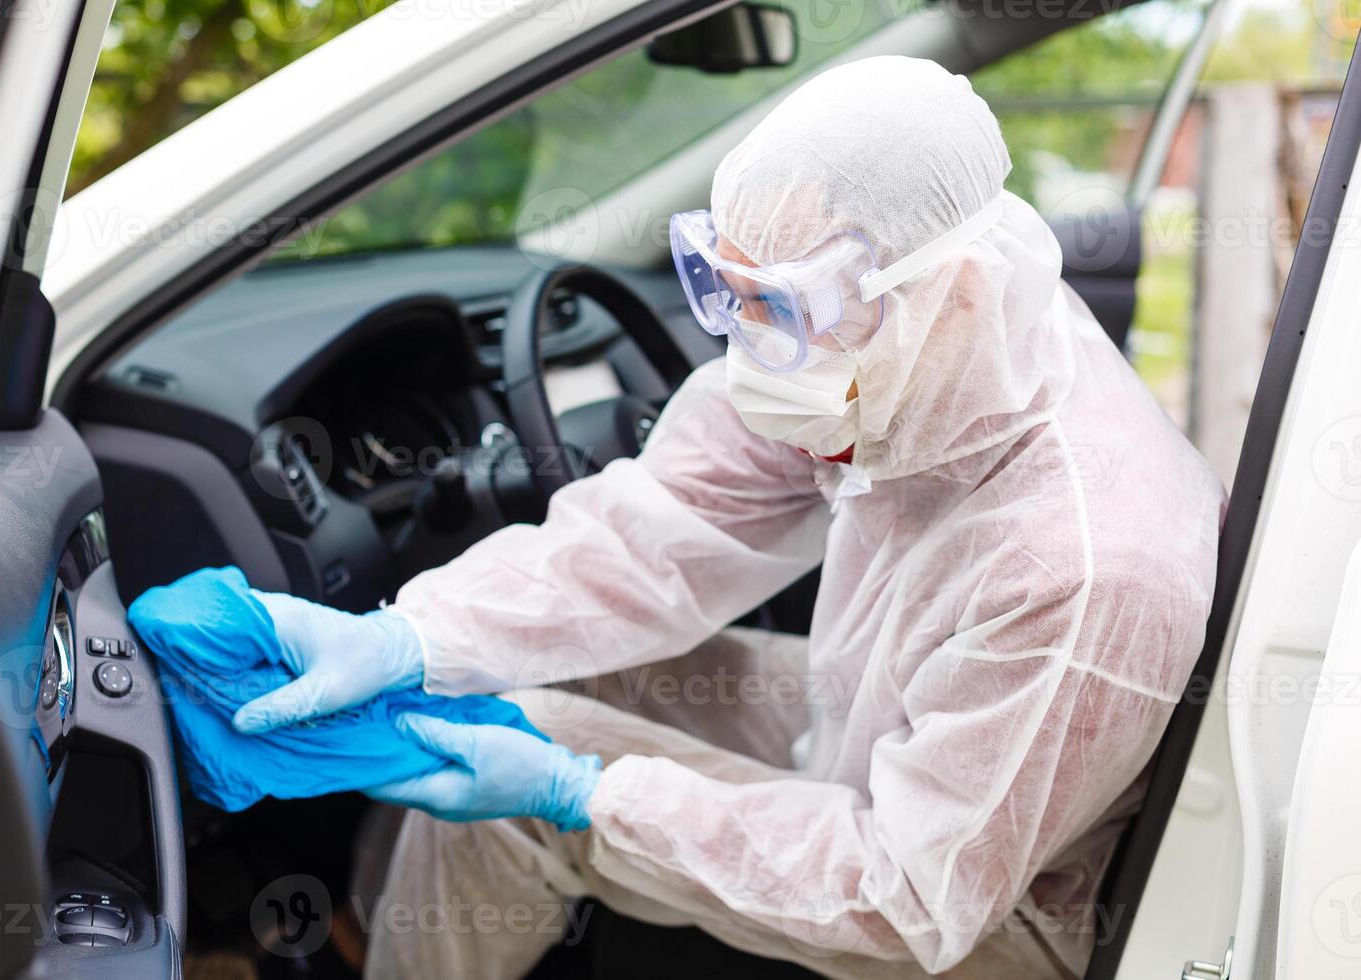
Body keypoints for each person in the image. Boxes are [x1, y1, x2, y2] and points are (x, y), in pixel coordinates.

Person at [145, 56, 1225, 978]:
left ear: (956, 295)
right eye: (737, 301)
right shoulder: (919, 340)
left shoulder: (1089, 560)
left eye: (785, 314)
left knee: (531, 762)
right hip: (871, 731)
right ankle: (369, 937)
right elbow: (657, 529)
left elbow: (910, 894)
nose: (758, 360)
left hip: (989, 904)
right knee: (533, 691)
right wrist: (408, 635)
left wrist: (586, 793)